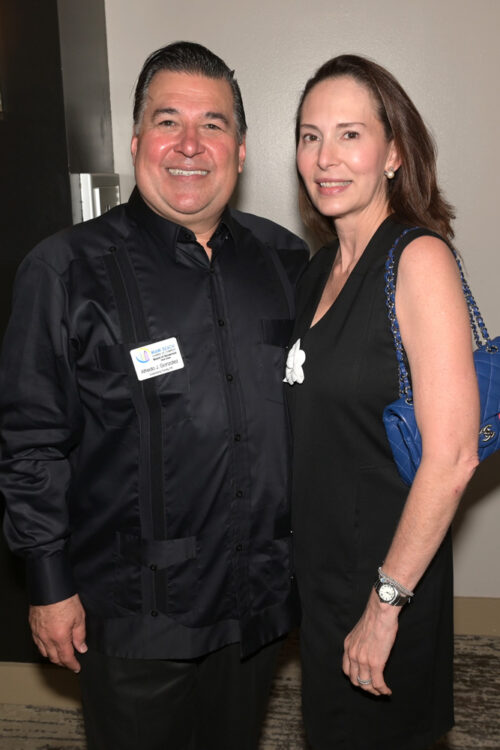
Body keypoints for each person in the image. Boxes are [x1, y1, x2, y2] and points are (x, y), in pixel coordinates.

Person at [0, 41, 308, 750]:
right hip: (135, 615)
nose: (190, 145)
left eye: (215, 124)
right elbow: (30, 442)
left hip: (256, 604)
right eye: (169, 122)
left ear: (240, 148)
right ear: (138, 140)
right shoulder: (63, 270)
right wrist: (48, 583)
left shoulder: (287, 261)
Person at [285, 54, 479, 750]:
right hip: (326, 581)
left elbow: (452, 457)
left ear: (394, 151)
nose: (325, 157)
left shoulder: (418, 259)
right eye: (310, 136)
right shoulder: (315, 274)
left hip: (385, 582)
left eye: (349, 134)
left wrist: (385, 604)